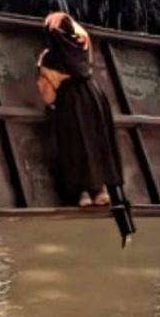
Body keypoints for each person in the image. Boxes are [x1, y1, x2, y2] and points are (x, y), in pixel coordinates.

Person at [37, 12, 135, 241]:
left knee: (74, 145)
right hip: (94, 95)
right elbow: (79, 30)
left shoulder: (49, 58)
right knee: (98, 140)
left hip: (69, 100)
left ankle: (82, 193)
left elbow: (48, 92)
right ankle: (101, 191)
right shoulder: (82, 44)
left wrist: (50, 104)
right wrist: (64, 18)